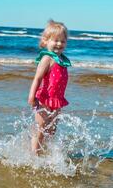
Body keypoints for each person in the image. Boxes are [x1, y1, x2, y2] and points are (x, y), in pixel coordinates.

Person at [28, 20, 71, 155]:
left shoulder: (62, 60)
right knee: (40, 127)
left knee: (52, 129)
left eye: (62, 41)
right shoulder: (47, 58)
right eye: (56, 40)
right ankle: (34, 154)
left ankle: (44, 151)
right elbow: (37, 78)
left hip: (57, 100)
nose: (59, 44)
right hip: (44, 99)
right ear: (46, 41)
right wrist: (31, 96)